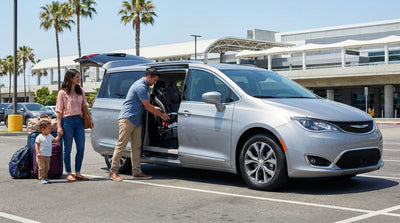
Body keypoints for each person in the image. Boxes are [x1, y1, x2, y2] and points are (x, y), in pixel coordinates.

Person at [109, 68, 170, 181]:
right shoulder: (140, 86)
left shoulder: (145, 86)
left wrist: (153, 107)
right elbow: (147, 106)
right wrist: (161, 115)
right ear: (148, 77)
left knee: (136, 147)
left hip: (136, 120)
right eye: (154, 80)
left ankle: (136, 172)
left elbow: (143, 103)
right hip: (127, 119)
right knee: (121, 145)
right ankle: (113, 172)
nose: (155, 83)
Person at [55, 69, 94, 182]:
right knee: (67, 149)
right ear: (70, 78)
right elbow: (59, 111)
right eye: (77, 77)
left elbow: (85, 106)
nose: (79, 79)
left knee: (81, 148)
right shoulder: (62, 93)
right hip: (67, 121)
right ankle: (68, 173)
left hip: (79, 121)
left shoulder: (80, 90)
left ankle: (78, 172)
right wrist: (59, 126)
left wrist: (90, 118)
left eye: (79, 76)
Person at [34, 119, 62, 184]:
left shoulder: (50, 136)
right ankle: (41, 178)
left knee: (47, 167)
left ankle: (45, 177)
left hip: (48, 155)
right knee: (41, 168)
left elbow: (55, 140)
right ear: (43, 129)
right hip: (41, 156)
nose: (50, 129)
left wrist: (59, 136)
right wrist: (38, 152)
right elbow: (36, 145)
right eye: (49, 128)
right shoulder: (39, 137)